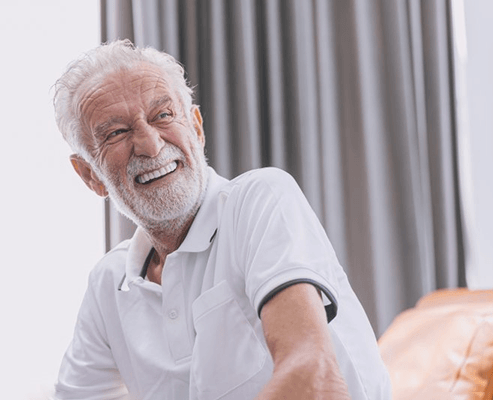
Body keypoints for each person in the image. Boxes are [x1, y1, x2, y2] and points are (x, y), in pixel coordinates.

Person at [52, 39, 391, 400]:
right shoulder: (109, 284)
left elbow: (314, 379)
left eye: (163, 115)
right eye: (117, 133)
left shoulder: (260, 199)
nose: (150, 145)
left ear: (196, 127)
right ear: (90, 175)